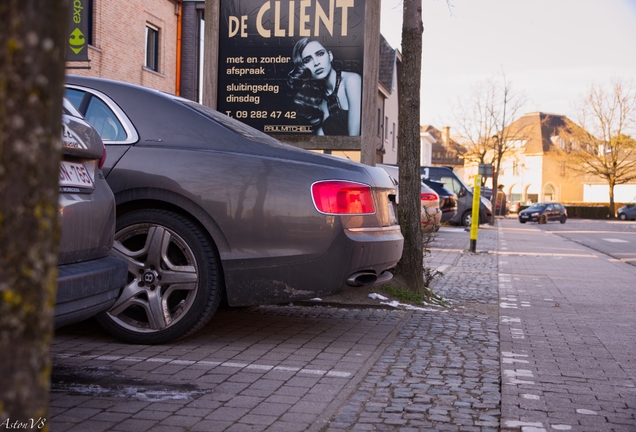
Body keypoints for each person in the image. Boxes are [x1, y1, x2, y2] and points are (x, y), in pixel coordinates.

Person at [288, 38, 362, 136]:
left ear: (330, 56)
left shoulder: (352, 81)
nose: (316, 63)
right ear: (303, 67)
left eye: (320, 54)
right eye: (307, 60)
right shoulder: (315, 100)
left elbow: (354, 140)